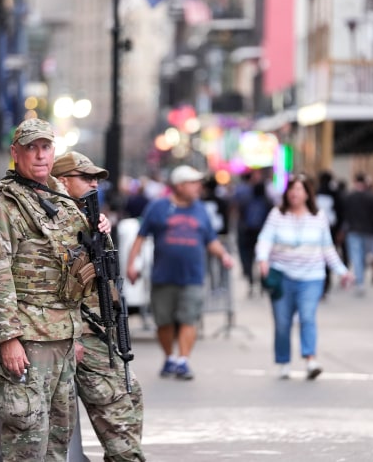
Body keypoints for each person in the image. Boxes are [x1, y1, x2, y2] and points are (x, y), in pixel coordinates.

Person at [0, 118, 111, 460]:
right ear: (15, 153)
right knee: (27, 439)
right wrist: (8, 340)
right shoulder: (2, 204)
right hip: (29, 339)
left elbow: (77, 267)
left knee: (58, 441)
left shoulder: (60, 197)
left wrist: (100, 229)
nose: (39, 155)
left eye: (45, 147)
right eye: (31, 148)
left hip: (63, 336)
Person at [51, 151, 145, 462]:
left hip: (101, 328)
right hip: (81, 331)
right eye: (86, 178)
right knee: (115, 413)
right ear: (62, 181)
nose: (94, 184)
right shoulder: (55, 220)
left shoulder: (87, 217)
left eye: (96, 179)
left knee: (131, 394)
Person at [125, 165, 234, 381]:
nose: (199, 187)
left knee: (189, 318)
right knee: (163, 322)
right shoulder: (158, 207)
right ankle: (169, 357)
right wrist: (131, 264)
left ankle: (183, 360)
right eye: (194, 183)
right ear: (180, 186)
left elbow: (210, 239)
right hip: (163, 276)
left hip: (193, 276)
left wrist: (224, 255)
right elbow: (141, 237)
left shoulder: (201, 209)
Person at [255, 175, 352, 380]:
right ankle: (283, 361)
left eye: (299, 189)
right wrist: (263, 259)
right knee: (282, 322)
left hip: (312, 277)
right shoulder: (277, 215)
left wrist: (342, 271)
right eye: (291, 189)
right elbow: (264, 239)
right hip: (282, 276)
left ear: (308, 193)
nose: (295, 193)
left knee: (307, 317)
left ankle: (310, 359)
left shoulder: (318, 217)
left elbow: (327, 248)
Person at [342, 173, 373, 294]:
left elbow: (344, 214)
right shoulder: (372, 197)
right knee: (362, 256)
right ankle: (360, 278)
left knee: (357, 256)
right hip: (368, 231)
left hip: (354, 230)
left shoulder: (349, 197)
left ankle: (360, 280)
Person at [232, 170, 272, 296]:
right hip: (261, 234)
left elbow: (237, 212)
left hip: (247, 233)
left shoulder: (244, 197)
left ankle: (251, 281)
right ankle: (262, 283)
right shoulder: (267, 201)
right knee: (261, 258)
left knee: (248, 259)